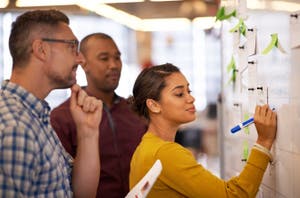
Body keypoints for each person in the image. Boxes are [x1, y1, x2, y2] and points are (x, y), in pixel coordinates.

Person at [129, 63, 277, 197]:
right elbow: (234, 195)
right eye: (180, 94)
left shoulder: (145, 147)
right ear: (154, 105)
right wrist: (263, 141)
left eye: (189, 91)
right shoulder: (165, 153)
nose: (191, 98)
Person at [0, 10, 103, 197]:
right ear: (41, 50)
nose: (81, 59)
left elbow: (81, 193)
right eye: (72, 47)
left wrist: (88, 132)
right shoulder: (15, 127)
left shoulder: (34, 115)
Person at [50, 33, 147, 198]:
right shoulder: (63, 118)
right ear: (84, 64)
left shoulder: (135, 111)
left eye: (117, 58)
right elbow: (61, 182)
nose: (114, 65)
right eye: (104, 58)